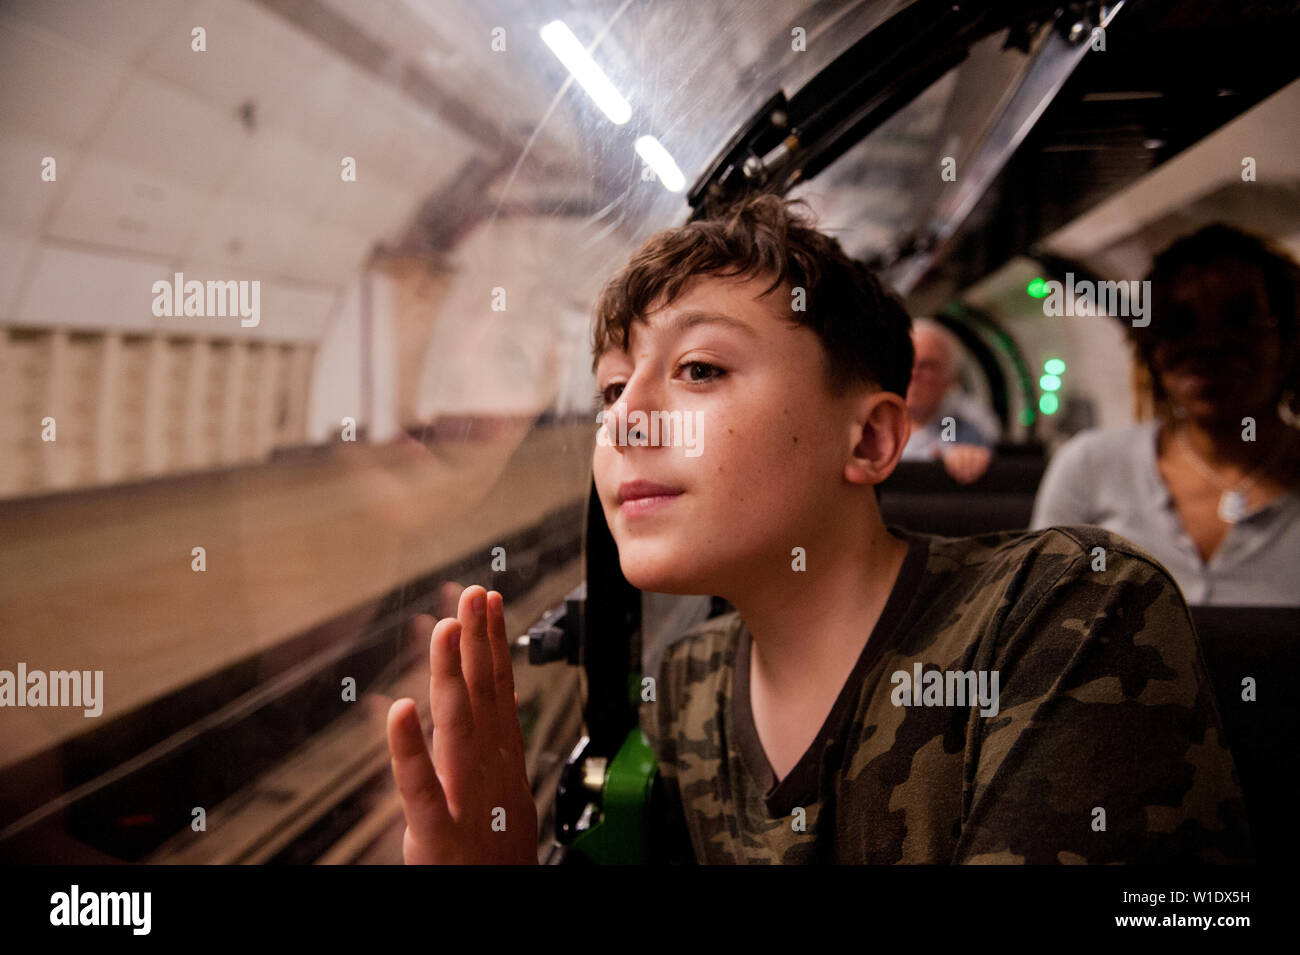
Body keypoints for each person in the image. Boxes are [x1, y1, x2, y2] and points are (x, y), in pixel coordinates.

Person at [386, 196, 1251, 864]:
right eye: (612, 389)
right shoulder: (688, 685)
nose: (625, 423)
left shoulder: (1068, 616)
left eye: (699, 368)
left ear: (870, 438)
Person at [1032, 224, 1300, 606]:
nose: (1208, 347)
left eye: (1238, 323)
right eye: (1179, 325)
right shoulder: (1089, 466)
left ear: (1288, 341)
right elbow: (1040, 621)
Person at [901, 318, 993, 483]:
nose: (913, 373)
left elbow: (974, 451)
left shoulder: (965, 423)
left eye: (926, 366)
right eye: (906, 362)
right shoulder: (867, 421)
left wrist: (968, 458)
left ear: (949, 379)